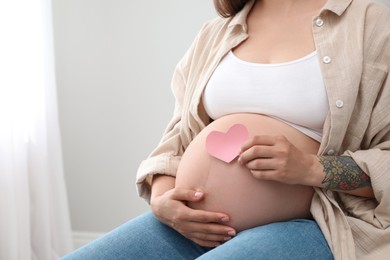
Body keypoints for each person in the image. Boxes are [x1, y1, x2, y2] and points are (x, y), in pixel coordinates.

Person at [62, 0, 390, 259]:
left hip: (317, 222)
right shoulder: (216, 34)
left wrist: (310, 167)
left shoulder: (371, 27)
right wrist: (163, 199)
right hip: (191, 225)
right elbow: (177, 138)